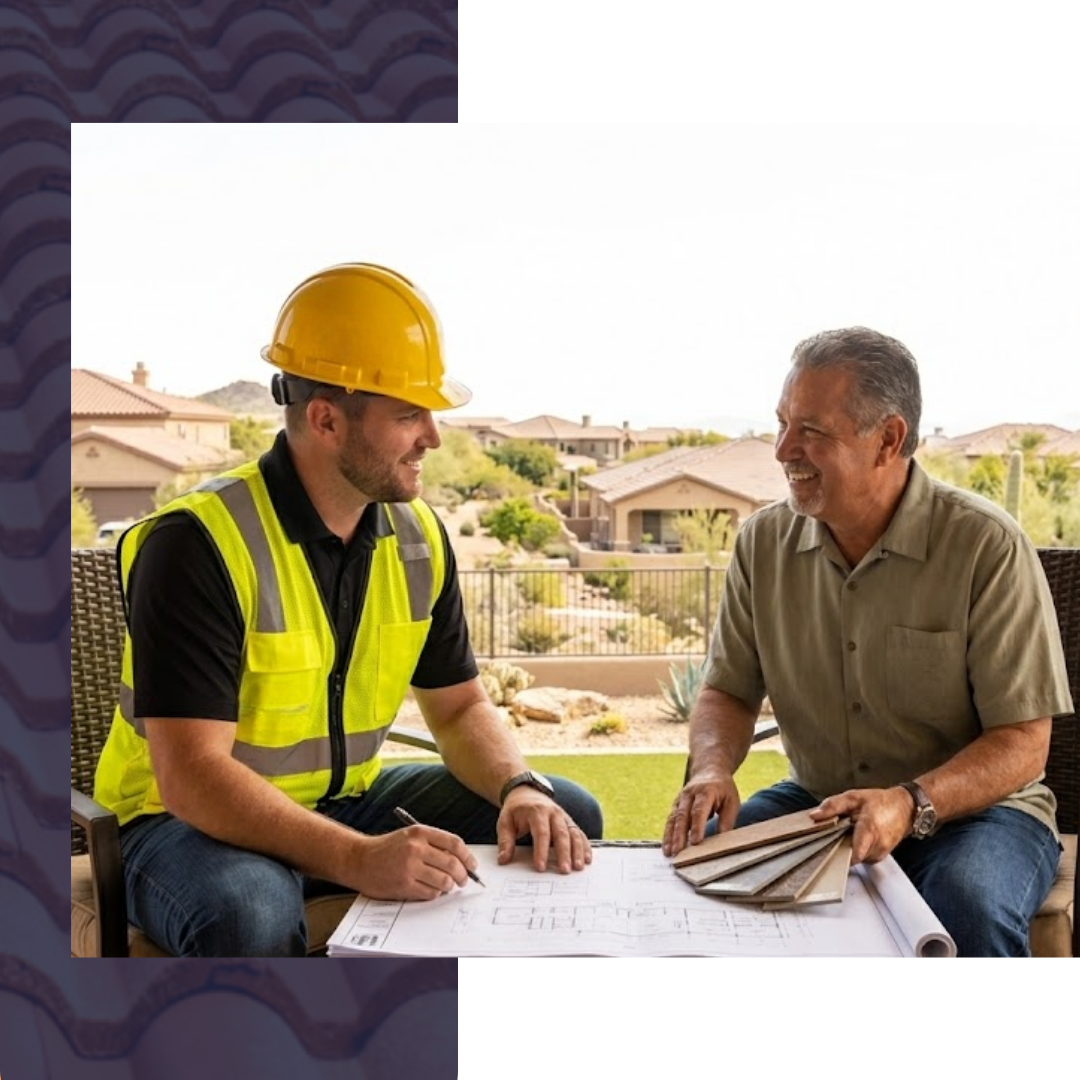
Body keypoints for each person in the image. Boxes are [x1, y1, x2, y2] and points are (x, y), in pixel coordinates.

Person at [94, 262, 602, 956]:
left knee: (563, 816)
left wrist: (519, 786)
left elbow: (458, 708)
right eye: (408, 414)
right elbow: (192, 777)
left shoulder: (418, 538)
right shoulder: (197, 543)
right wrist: (358, 857)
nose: (433, 437)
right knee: (250, 912)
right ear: (326, 419)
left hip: (345, 800)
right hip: (178, 824)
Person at [662, 326, 1072, 957]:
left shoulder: (985, 546)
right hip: (821, 802)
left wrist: (908, 802)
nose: (783, 450)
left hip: (980, 814)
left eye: (811, 431)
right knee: (690, 874)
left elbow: (1023, 742)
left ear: (888, 440)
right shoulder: (761, 544)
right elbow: (727, 691)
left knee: (967, 905)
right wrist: (713, 768)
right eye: (782, 424)